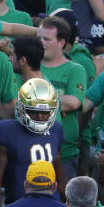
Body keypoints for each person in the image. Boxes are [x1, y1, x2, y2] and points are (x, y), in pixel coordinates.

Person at [0, 78, 67, 202]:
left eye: (45, 112)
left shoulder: (56, 130)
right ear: (20, 108)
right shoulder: (4, 132)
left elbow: (60, 176)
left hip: (52, 202)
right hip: (18, 203)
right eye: (33, 111)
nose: (40, 117)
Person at [38, 16, 87, 181]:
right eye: (38, 38)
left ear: (61, 42)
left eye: (46, 39)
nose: (41, 42)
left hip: (65, 153)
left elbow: (73, 102)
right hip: (32, 150)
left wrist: (37, 102)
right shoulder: (31, 65)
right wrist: (58, 104)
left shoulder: (75, 69)